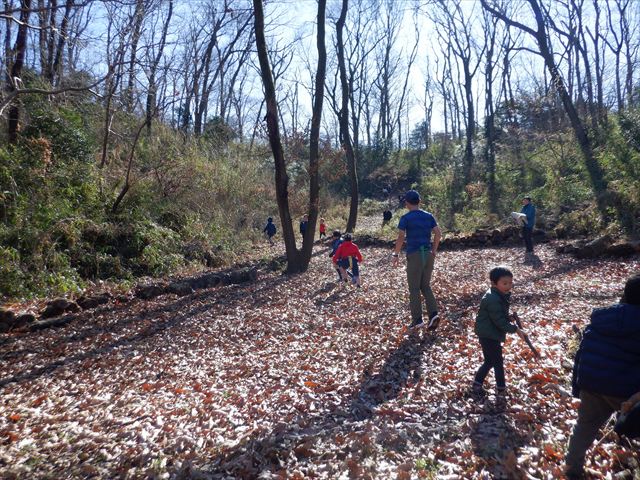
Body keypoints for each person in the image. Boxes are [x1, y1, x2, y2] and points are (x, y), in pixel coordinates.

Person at [564, 273, 640, 479]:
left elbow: (582, 351)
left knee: (585, 426)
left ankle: (572, 466)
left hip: (592, 383)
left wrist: (578, 387)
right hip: (626, 390)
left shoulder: (604, 318)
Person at [471, 266, 528, 399]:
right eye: (504, 283)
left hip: (489, 332)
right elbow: (498, 321)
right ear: (493, 283)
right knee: (497, 362)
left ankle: (477, 383)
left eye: (510, 283)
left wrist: (508, 317)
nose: (508, 286)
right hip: (488, 334)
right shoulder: (492, 299)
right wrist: (516, 330)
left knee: (490, 361)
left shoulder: (498, 295)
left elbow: (499, 316)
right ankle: (501, 389)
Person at [392, 190, 442, 329]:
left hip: (414, 255)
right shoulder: (429, 216)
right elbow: (438, 234)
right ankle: (433, 315)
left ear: (407, 203)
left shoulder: (406, 218)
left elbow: (401, 238)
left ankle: (417, 320)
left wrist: (395, 255)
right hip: (428, 254)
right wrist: (434, 250)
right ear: (419, 201)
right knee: (425, 286)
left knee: (414, 288)